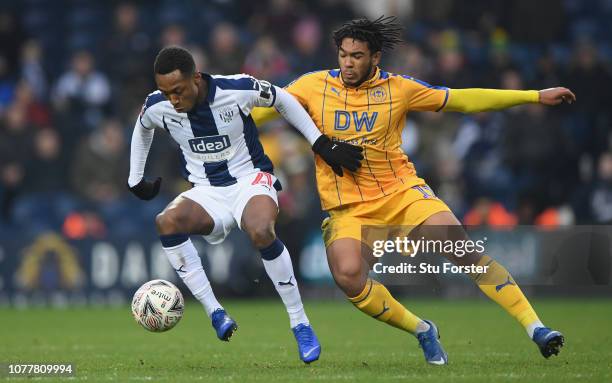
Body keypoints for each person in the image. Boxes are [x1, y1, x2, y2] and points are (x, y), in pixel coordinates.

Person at [251, 16, 576, 365]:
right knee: (348, 277)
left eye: (357, 55)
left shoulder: (399, 88)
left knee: (459, 246)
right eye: (343, 54)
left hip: (402, 194)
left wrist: (533, 96)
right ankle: (422, 329)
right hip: (349, 209)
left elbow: (462, 100)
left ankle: (536, 328)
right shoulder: (312, 86)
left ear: (375, 57)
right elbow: (264, 111)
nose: (347, 62)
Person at [127, 46, 363, 364]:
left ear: (196, 78)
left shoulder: (236, 89)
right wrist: (135, 179)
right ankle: (215, 313)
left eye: (178, 91)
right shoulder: (158, 105)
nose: (173, 100)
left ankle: (300, 324)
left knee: (260, 231)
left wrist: (318, 142)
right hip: (206, 191)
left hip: (250, 180)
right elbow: (143, 128)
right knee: (165, 221)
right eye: (166, 92)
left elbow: (281, 98)